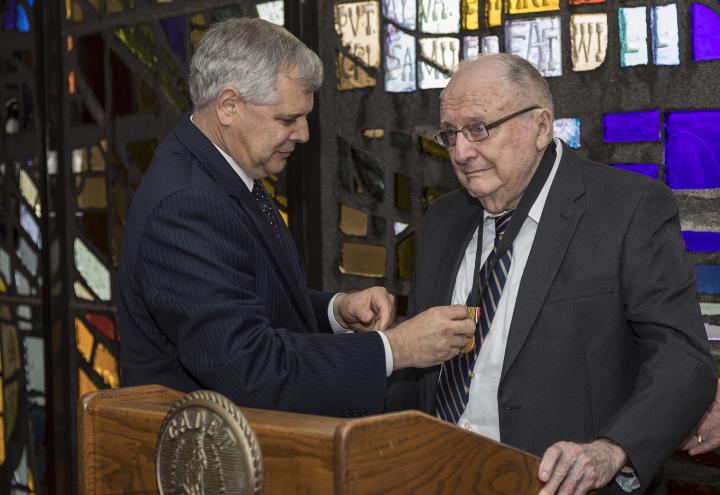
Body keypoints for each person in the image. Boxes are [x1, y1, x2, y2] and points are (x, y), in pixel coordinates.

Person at [385, 53, 717, 494]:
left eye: (479, 129)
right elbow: (419, 375)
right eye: (451, 135)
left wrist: (610, 449)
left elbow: (681, 355)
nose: (462, 152)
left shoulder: (628, 207)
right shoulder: (445, 218)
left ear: (541, 126)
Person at [117, 18, 475, 418]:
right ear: (229, 106)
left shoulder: (221, 166)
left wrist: (334, 312)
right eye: (287, 119)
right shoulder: (187, 202)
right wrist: (398, 348)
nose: (303, 134)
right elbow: (249, 369)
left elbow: (242, 295)